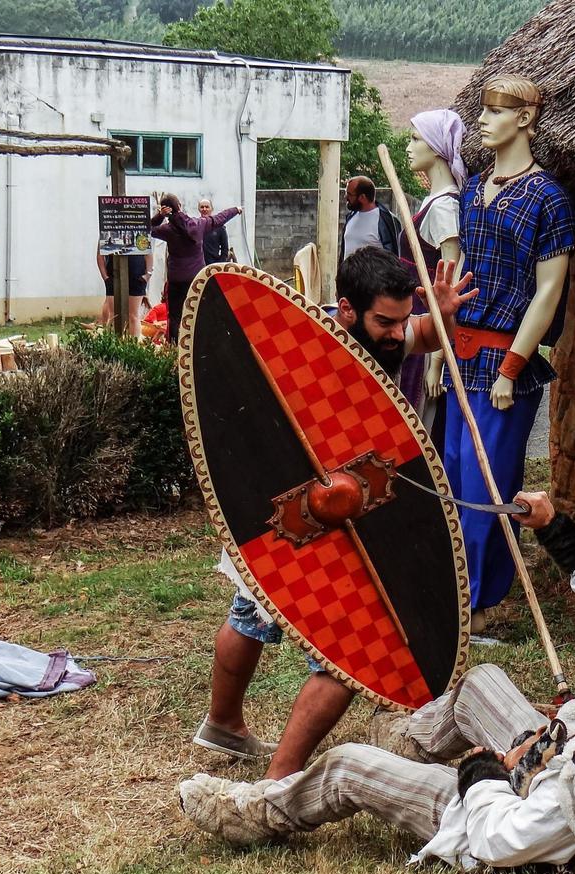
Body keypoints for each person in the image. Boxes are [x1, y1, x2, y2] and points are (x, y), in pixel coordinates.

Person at [180, 491, 575, 874]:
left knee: (348, 766)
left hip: (504, 817)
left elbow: (502, 840)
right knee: (481, 682)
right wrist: (550, 523)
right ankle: (406, 744)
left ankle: (256, 812)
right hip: (550, 758)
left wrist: (484, 770)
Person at [193, 247, 478, 782]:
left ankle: (248, 744)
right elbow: (257, 425)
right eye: (384, 322)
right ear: (345, 309)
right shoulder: (302, 345)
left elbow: (422, 336)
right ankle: (234, 733)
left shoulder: (388, 332)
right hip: (293, 510)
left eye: (401, 320)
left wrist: (440, 316)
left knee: (289, 623)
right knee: (332, 639)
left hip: (364, 503)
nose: (396, 334)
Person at [447, 74, 575, 634]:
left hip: (505, 365)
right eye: (483, 110)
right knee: (454, 479)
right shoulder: (472, 189)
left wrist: (513, 365)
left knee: (488, 486)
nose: (483, 119)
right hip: (460, 357)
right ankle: (454, 592)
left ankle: (477, 602)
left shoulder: (549, 198)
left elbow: (548, 292)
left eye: (496, 111)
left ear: (525, 118)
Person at [401, 108, 466, 420]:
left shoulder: (444, 208)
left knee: (420, 419)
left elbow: (448, 287)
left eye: (416, 139)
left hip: (428, 325)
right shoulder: (434, 200)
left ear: (437, 147)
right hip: (413, 315)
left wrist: (437, 361)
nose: (408, 147)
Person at [150, 193, 241, 343]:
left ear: (166, 210)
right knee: (198, 312)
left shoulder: (167, 230)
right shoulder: (199, 224)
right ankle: (198, 345)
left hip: (176, 279)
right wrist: (236, 209)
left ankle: (174, 346)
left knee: (175, 316)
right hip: (196, 278)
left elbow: (146, 228)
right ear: (180, 206)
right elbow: (220, 218)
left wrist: (159, 216)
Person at [96, 244, 152, 338]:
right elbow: (99, 254)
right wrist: (105, 277)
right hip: (113, 276)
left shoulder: (139, 229)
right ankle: (113, 344)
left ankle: (133, 346)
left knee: (133, 315)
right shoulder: (108, 230)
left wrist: (148, 274)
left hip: (137, 276)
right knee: (114, 314)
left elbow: (148, 252)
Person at [340, 175, 400, 261]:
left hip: (374, 274)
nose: (345, 197)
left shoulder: (386, 220)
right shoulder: (350, 217)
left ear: (362, 197)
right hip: (348, 274)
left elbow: (395, 257)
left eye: (349, 194)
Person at [198, 199, 230, 265]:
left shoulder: (219, 227)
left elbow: (225, 249)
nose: (204, 209)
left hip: (213, 265)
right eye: (202, 207)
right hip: (198, 265)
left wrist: (220, 264)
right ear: (199, 209)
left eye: (207, 207)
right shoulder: (196, 226)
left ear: (211, 209)